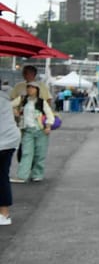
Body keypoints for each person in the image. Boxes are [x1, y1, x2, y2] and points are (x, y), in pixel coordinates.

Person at [11, 67, 53, 183]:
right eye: (28, 87)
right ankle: (22, 175)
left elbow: (49, 113)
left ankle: (37, 174)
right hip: (27, 129)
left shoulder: (41, 101)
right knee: (26, 152)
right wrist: (15, 110)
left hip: (40, 129)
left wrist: (48, 126)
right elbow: (10, 104)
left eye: (32, 88)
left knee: (40, 153)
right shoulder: (22, 98)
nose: (29, 89)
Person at [0, 81, 17, 225]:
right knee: (2, 176)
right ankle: (4, 213)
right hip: (9, 140)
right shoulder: (4, 97)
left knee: (1, 176)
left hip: (3, 142)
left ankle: (4, 214)